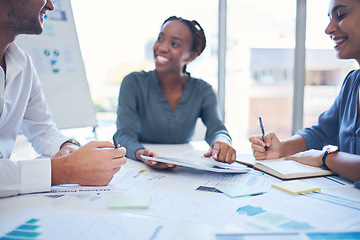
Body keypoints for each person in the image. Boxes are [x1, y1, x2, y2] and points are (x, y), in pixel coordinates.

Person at [0, 0, 126, 198]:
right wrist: (60, 171)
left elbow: (43, 130)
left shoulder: (23, 64)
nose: (50, 5)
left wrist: (68, 148)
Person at [249, 0, 360, 188]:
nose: (328, 29)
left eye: (340, 15)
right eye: (329, 18)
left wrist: (324, 158)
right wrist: (282, 148)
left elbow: (323, 150)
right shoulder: (352, 82)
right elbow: (322, 133)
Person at [113, 16, 236, 169]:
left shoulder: (203, 90)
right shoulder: (133, 83)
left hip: (183, 167)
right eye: (160, 38)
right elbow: (123, 134)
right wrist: (142, 154)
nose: (162, 48)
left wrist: (222, 142)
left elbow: (217, 128)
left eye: (174, 44)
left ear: (191, 56)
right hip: (138, 166)